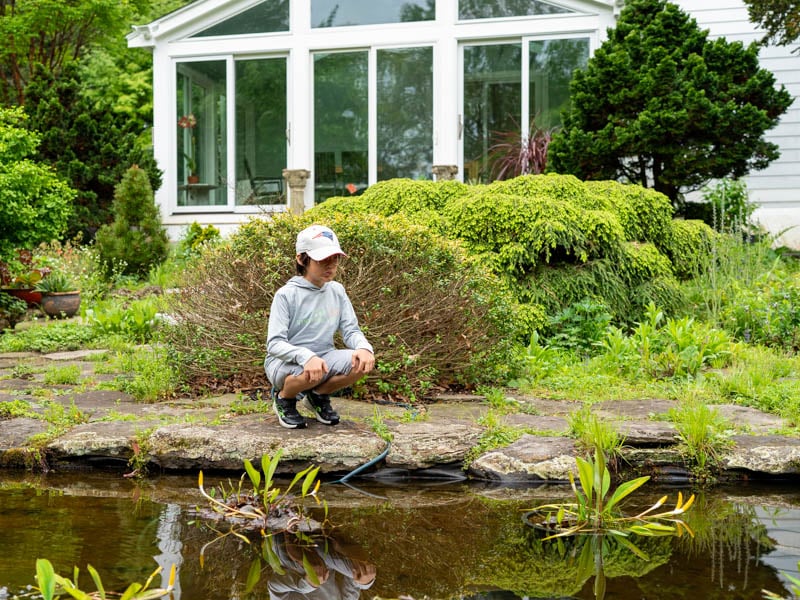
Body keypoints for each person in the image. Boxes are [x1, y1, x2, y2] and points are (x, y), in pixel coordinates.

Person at [264, 224, 375, 429]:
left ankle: (317, 396)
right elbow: (274, 344)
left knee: (361, 362)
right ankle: (284, 399)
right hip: (285, 363)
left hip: (324, 357)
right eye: (322, 259)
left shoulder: (337, 291)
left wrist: (364, 348)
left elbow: (350, 330)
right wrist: (306, 356)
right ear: (301, 259)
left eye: (334, 259)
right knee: (308, 372)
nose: (330, 265)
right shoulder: (286, 295)